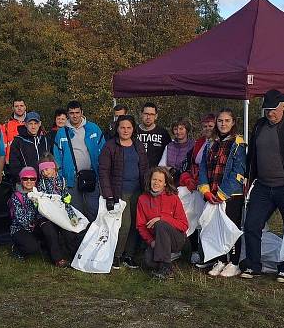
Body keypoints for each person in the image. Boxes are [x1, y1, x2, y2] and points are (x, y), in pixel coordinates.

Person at [241, 89, 284, 283]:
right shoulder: (259, 125)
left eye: (273, 109)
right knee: (252, 224)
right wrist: (248, 177)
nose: (270, 113)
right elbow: (251, 155)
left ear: (283, 106)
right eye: (266, 110)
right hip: (262, 186)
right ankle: (254, 265)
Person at [198, 109, 247, 277]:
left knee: (230, 228)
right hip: (211, 194)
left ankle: (234, 262)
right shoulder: (211, 142)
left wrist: (222, 193)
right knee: (215, 228)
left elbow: (238, 172)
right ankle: (220, 260)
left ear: (233, 122)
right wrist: (205, 189)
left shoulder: (239, 143)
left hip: (231, 195)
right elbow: (203, 167)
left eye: (227, 120)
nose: (223, 124)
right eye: (220, 121)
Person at [98, 115, 148, 269]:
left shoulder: (138, 145)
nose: (125, 130)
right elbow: (103, 171)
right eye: (122, 127)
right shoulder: (110, 146)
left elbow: (145, 168)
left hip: (138, 191)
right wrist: (109, 195)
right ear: (117, 128)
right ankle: (116, 255)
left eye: (129, 127)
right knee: (124, 225)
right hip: (119, 192)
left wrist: (147, 189)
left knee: (135, 225)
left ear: (133, 129)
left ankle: (129, 255)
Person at [8, 167, 75, 267]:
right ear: (21, 180)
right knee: (32, 247)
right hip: (21, 229)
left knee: (51, 230)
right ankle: (18, 249)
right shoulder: (16, 196)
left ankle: (64, 256)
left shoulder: (39, 192)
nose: (29, 181)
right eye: (25, 179)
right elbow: (23, 221)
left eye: (32, 179)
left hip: (36, 226)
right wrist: (34, 206)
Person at [53, 100, 105, 222]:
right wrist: (61, 177)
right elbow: (57, 157)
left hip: (92, 176)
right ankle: (78, 239)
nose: (75, 115)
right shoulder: (61, 133)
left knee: (93, 210)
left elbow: (103, 151)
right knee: (76, 212)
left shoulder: (93, 128)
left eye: (77, 112)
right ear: (68, 114)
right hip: (71, 178)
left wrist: (102, 172)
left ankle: (93, 238)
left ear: (82, 113)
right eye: (71, 113)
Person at [136, 167, 189, 279]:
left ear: (165, 184)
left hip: (177, 239)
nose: (156, 183)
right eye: (154, 179)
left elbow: (184, 225)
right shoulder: (142, 199)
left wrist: (162, 218)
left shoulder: (173, 198)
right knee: (149, 262)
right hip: (157, 240)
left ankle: (166, 269)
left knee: (160, 224)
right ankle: (169, 256)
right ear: (150, 180)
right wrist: (151, 242)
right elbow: (140, 225)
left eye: (160, 181)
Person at [178, 112, 216, 266]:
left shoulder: (220, 143)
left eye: (210, 126)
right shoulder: (198, 143)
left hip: (212, 188)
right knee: (190, 216)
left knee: (208, 220)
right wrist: (187, 179)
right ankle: (194, 250)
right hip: (196, 187)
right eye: (205, 126)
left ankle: (210, 254)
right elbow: (187, 165)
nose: (207, 128)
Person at [8, 111, 52, 184]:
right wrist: (22, 179)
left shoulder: (45, 139)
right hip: (26, 182)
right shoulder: (18, 141)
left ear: (40, 124)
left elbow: (50, 160)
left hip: (44, 181)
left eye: (35, 123)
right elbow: (14, 164)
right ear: (25, 124)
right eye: (30, 123)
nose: (33, 126)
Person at [136, 102, 171, 168]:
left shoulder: (163, 133)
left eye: (152, 114)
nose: (148, 117)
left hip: (155, 174)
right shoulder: (133, 131)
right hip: (136, 172)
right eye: (146, 114)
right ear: (141, 114)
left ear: (156, 116)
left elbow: (169, 155)